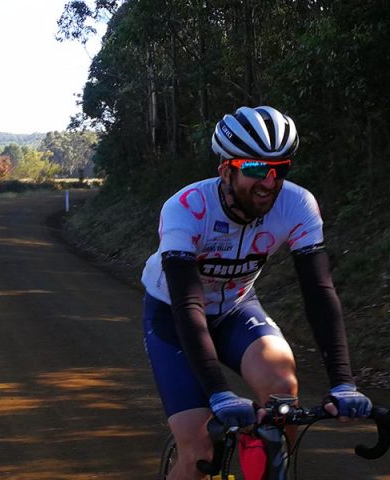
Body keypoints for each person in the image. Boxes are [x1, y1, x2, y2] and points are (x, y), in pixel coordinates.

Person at [141, 106, 373, 480]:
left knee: (283, 391)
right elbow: (187, 303)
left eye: (279, 169)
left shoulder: (297, 205)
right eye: (253, 168)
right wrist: (218, 392)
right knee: (200, 449)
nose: (268, 181)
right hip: (173, 315)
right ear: (225, 169)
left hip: (236, 308)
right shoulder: (187, 208)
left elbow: (318, 291)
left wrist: (343, 382)